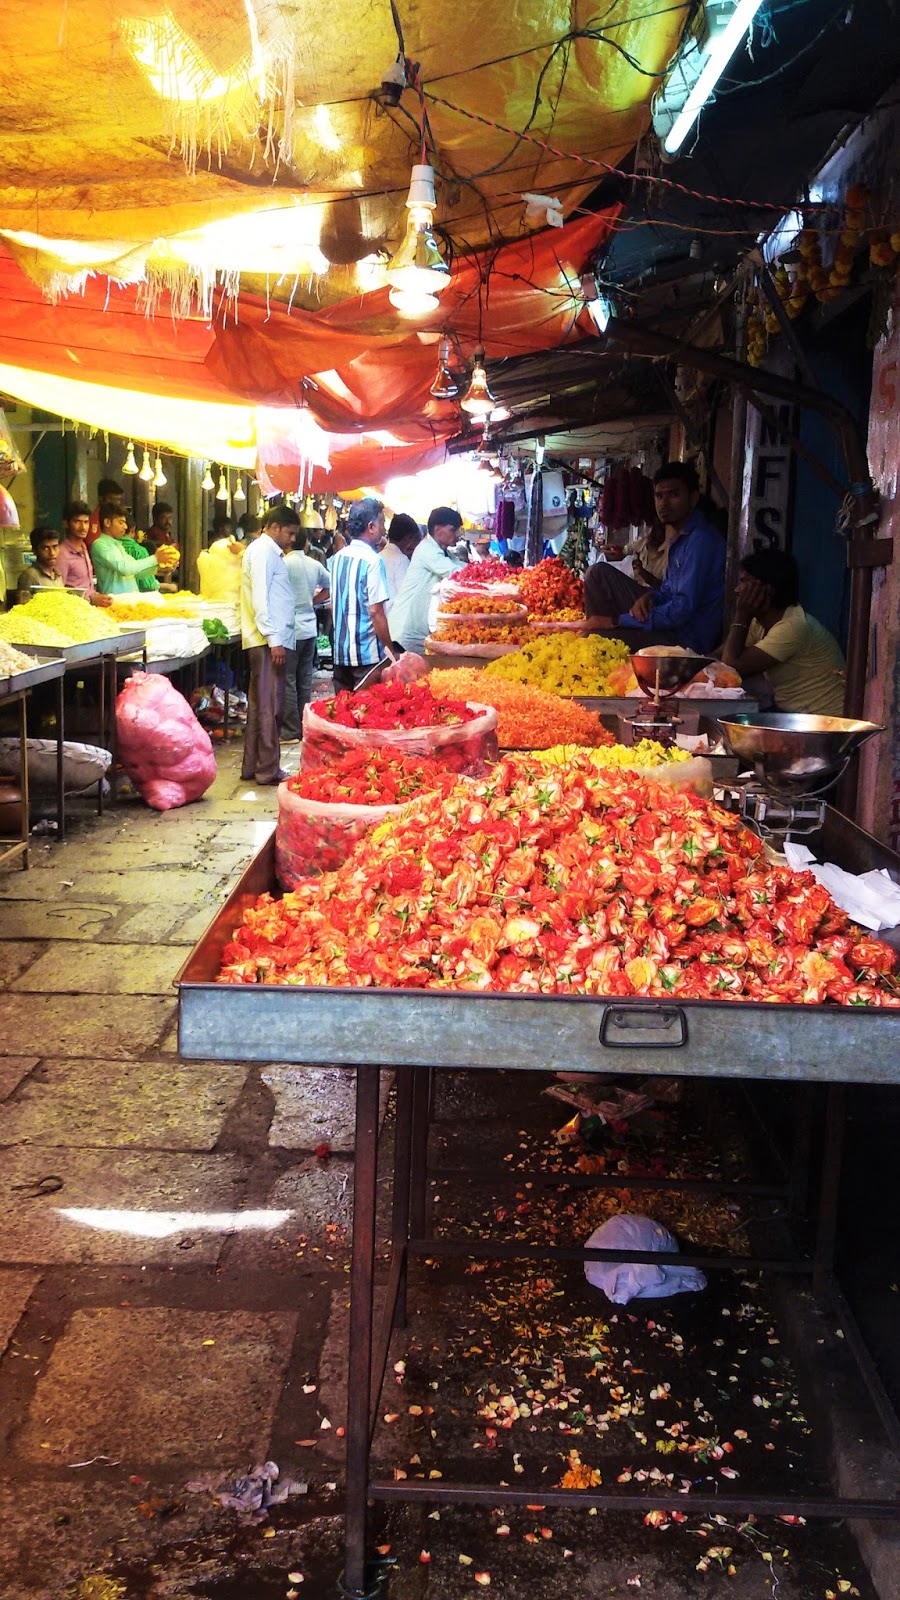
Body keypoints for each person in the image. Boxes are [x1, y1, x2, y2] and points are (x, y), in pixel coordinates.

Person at [583, 462, 725, 653]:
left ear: (693, 498)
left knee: (594, 639)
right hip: (669, 624)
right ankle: (604, 631)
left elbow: (681, 611)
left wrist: (616, 620)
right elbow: (668, 592)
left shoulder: (701, 541)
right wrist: (650, 596)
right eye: (659, 496)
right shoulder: (681, 538)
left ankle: (604, 634)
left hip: (684, 639)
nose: (663, 504)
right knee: (598, 573)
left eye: (673, 495)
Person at [721, 549, 845, 716]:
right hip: (794, 714)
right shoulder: (759, 622)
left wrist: (741, 614)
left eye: (744, 582)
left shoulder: (793, 626)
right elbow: (725, 653)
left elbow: (731, 667)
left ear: (767, 589)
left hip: (823, 719)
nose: (737, 589)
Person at [240, 504, 298, 785]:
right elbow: (260, 600)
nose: (293, 539)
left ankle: (253, 766)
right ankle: (267, 770)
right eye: (290, 533)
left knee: (259, 705)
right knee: (269, 706)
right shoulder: (264, 552)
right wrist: (274, 640)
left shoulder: (265, 551)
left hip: (264, 639)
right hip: (266, 641)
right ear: (274, 527)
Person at [329, 497, 395, 690]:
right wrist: (390, 649)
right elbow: (376, 611)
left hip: (340, 653)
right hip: (367, 656)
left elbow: (334, 604)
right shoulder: (373, 561)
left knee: (342, 705)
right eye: (381, 523)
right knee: (365, 706)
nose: (383, 529)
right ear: (371, 527)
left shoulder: (337, 558)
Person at [388, 505, 466, 657]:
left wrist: (489, 570)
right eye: (453, 530)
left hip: (416, 630)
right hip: (405, 631)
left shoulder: (445, 553)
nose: (457, 535)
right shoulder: (426, 549)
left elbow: (461, 566)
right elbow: (454, 572)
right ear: (438, 530)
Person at [282, 530, 331, 740]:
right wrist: (314, 601)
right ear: (306, 543)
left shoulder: (283, 564)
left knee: (288, 680)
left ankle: (290, 729)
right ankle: (304, 727)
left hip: (290, 629)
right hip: (309, 628)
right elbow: (329, 586)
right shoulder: (314, 565)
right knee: (304, 679)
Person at [91, 502, 158, 594]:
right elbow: (125, 569)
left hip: (129, 599)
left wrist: (160, 563)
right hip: (114, 600)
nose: (125, 527)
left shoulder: (117, 544)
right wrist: (155, 558)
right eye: (121, 522)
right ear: (107, 522)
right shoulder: (100, 544)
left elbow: (137, 573)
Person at [55, 502, 112, 607]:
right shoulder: (62, 554)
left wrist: (96, 596)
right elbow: (58, 592)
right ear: (66, 524)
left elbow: (86, 585)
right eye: (77, 522)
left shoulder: (83, 547)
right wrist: (90, 599)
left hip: (88, 610)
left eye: (86, 522)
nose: (83, 527)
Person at [380, 513, 421, 607]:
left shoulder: (379, 556)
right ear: (409, 538)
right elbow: (406, 596)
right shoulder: (401, 560)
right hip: (393, 613)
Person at [17, 528, 64, 596]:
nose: (52, 553)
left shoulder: (58, 575)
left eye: (55, 547)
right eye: (45, 548)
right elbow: (23, 602)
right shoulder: (30, 575)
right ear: (34, 551)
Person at [87, 478, 124, 545]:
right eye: (112, 499)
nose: (115, 503)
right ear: (101, 498)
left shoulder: (119, 515)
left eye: (118, 499)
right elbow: (92, 544)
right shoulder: (95, 519)